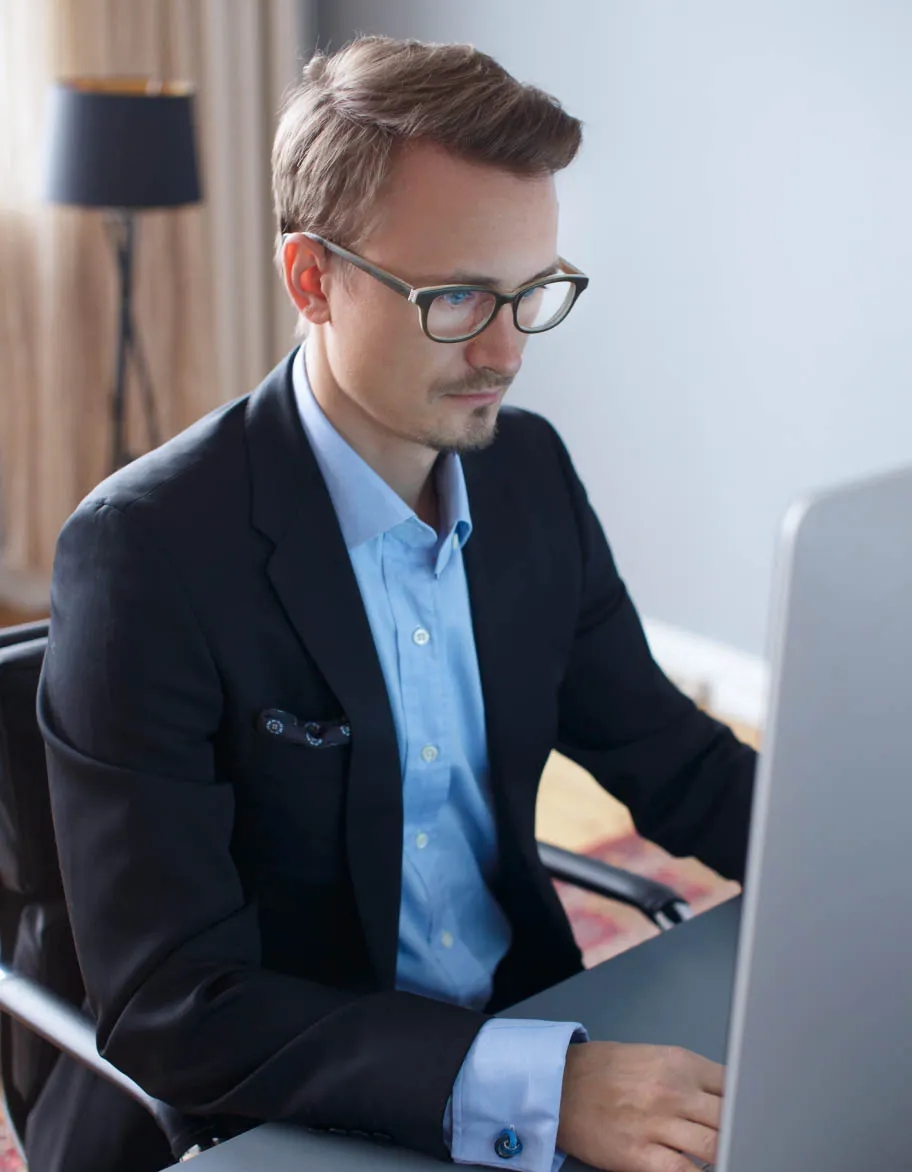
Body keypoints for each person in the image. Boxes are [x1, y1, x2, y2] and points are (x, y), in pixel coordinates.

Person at [35, 35, 756, 1172]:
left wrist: (865, 870)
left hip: (522, 1022)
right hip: (261, 1114)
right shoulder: (144, 557)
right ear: (311, 280)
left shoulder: (529, 479)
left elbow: (680, 762)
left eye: (532, 292)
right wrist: (545, 1084)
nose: (509, 351)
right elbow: (176, 1001)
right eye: (460, 296)